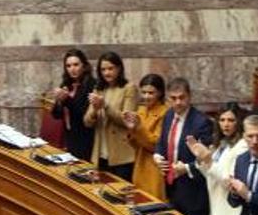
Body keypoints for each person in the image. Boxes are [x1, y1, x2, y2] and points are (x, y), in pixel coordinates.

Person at [187, 103, 247, 215]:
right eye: (222, 120)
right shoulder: (221, 144)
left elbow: (230, 182)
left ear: (239, 122)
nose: (226, 124)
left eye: (231, 120)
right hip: (216, 212)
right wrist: (201, 158)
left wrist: (209, 159)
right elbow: (211, 175)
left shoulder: (242, 147)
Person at [156, 78, 214, 215]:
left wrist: (187, 168)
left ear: (189, 97)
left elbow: (208, 159)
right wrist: (157, 155)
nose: (178, 102)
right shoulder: (168, 115)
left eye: (182, 98)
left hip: (193, 191)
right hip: (171, 186)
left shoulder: (201, 122)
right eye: (173, 98)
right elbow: (162, 141)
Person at [83, 51, 137, 180]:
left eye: (110, 68)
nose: (107, 73)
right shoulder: (99, 89)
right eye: (103, 69)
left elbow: (126, 120)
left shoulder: (128, 88)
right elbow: (87, 122)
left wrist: (106, 106)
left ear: (119, 68)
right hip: (100, 152)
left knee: (120, 195)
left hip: (122, 154)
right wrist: (95, 110)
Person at [123, 73, 169, 199]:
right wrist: (131, 130)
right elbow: (135, 144)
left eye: (151, 93)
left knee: (153, 202)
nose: (146, 96)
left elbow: (156, 145)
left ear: (159, 93)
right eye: (143, 92)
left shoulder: (165, 113)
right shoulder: (141, 110)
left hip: (155, 167)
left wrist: (138, 128)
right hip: (139, 163)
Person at [49, 48, 95, 163]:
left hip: (86, 138)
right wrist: (59, 101)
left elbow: (84, 114)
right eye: (68, 66)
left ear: (84, 66)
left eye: (76, 65)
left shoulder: (91, 84)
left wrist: (67, 99)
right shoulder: (66, 84)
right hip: (69, 136)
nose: (72, 69)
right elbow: (56, 115)